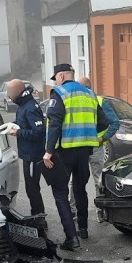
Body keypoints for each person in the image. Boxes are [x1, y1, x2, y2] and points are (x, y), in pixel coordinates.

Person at [43, 63, 109, 250]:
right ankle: (84, 229)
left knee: (60, 194)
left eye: (55, 77)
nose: (55, 81)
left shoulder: (60, 93)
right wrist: (87, 132)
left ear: (62, 76)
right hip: (84, 152)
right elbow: (103, 122)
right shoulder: (89, 94)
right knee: (80, 190)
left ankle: (71, 238)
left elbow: (54, 123)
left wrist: (48, 152)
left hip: (64, 152)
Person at [75, 76, 120, 212]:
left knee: (97, 180)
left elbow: (115, 123)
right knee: (80, 181)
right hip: (81, 147)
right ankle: (76, 211)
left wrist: (103, 138)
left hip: (93, 147)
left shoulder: (99, 101)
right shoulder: (76, 102)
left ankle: (100, 210)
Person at [4, 79, 46, 218]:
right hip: (28, 154)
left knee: (32, 188)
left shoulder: (30, 107)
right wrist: (13, 125)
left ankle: (38, 217)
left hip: (33, 155)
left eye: (9, 93)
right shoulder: (23, 104)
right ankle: (37, 214)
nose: (8, 96)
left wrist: (18, 132)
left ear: (18, 91)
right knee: (31, 187)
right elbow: (24, 123)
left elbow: (39, 131)